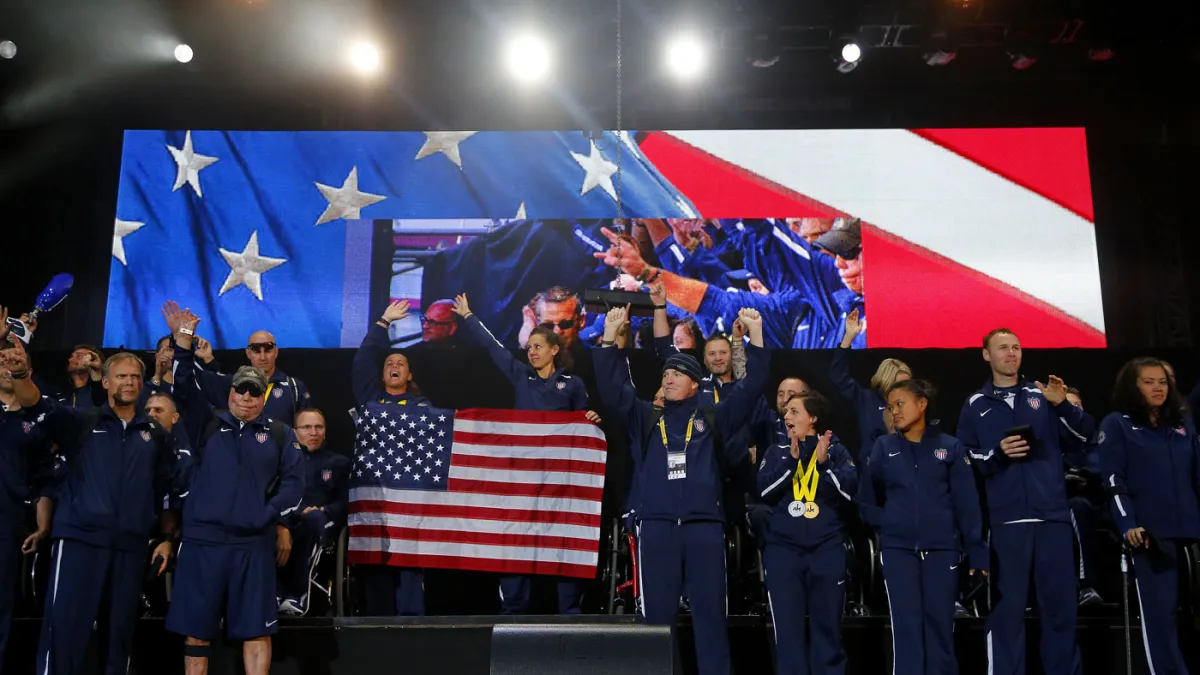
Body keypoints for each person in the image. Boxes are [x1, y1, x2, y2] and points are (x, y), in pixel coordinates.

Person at [593, 304, 767, 675]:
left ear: (694, 383)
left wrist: (756, 336)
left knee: (710, 620)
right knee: (656, 624)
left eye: (677, 373)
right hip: (656, 528)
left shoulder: (712, 417)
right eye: (666, 372)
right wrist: (609, 339)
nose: (668, 378)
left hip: (704, 528)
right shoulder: (647, 416)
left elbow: (752, 388)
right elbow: (612, 390)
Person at [5, 337, 183, 675]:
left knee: (119, 637)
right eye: (120, 376)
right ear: (105, 381)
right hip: (79, 543)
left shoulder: (156, 435)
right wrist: (21, 374)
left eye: (134, 377)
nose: (128, 382)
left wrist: (167, 538)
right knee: (65, 630)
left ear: (141, 384)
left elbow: (164, 492)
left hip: (129, 547)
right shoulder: (81, 423)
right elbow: (35, 404)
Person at [164, 306, 305, 675]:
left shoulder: (279, 433)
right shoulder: (205, 423)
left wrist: (268, 514)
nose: (245, 396)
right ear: (229, 392)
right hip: (203, 541)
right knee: (197, 630)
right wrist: (183, 341)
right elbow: (182, 385)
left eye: (253, 390)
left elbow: (294, 482)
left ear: (263, 395)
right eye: (240, 389)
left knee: (256, 629)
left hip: (252, 544)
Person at [956, 328, 1093, 675]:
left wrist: (1062, 405)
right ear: (986, 354)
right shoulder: (975, 405)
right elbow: (966, 462)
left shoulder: (1042, 395)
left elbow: (1084, 438)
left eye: (1016, 347)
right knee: (1006, 613)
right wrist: (997, 454)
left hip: (1052, 518)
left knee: (1061, 612)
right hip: (1007, 522)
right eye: (1003, 348)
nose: (1011, 353)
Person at [454, 293, 600, 615]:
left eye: (538, 347)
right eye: (529, 347)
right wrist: (468, 316)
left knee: (563, 541)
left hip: (559, 481)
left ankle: (570, 612)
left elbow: (584, 426)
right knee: (517, 540)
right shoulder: (521, 376)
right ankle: (514, 610)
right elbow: (493, 347)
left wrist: (590, 421)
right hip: (522, 478)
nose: (531, 352)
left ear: (554, 350)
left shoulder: (573, 384)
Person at [859, 379, 987, 675]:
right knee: (906, 628)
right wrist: (888, 522)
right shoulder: (883, 447)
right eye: (890, 407)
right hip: (898, 551)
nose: (894, 412)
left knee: (940, 627)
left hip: (942, 550)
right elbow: (866, 498)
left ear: (922, 403)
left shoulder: (950, 447)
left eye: (900, 404)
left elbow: (967, 504)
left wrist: (977, 552)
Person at [1098, 357, 1200, 675]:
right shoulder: (1117, 424)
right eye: (1148, 382)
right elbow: (1114, 480)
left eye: (1162, 382)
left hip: (1192, 535)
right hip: (1151, 538)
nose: (1157, 388)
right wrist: (1128, 524)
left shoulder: (1182, 425)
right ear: (1133, 386)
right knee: (1161, 617)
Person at [758, 392, 857, 675]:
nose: (786, 417)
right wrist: (791, 461)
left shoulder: (835, 449)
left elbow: (850, 492)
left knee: (828, 632)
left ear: (812, 418)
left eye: (794, 412)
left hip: (826, 550)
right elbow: (764, 491)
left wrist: (823, 464)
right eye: (785, 412)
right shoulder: (777, 451)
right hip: (784, 552)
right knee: (788, 636)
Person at [351, 300, 432, 616]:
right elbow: (361, 362)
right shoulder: (370, 399)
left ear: (409, 373)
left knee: (409, 560)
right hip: (373, 492)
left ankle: (413, 625)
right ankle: (376, 623)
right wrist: (383, 322)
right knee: (376, 561)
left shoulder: (424, 406)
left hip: (409, 495)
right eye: (388, 363)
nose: (393, 365)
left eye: (399, 362)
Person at [0, 329, 55, 673]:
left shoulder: (37, 423)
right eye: (0, 361)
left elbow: (45, 478)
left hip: (6, 526)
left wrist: (43, 523)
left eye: (13, 363)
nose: (6, 367)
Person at [167, 300, 313, 423]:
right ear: (248, 353)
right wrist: (181, 336)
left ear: (276, 352)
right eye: (256, 350)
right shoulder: (231, 384)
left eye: (268, 350)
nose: (263, 357)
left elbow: (307, 429)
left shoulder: (294, 387)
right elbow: (186, 377)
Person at [277, 409, 349, 615]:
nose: (313, 432)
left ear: (325, 432)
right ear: (294, 431)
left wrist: (324, 510)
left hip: (321, 521)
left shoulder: (339, 463)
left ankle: (297, 594)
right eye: (307, 427)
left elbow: (345, 501)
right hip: (287, 519)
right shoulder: (282, 460)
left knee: (314, 519)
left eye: (319, 427)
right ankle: (272, 592)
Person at [830, 308, 911, 457]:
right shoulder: (865, 400)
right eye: (899, 384)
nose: (905, 389)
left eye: (907, 385)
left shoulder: (912, 405)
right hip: (872, 470)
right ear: (885, 381)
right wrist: (848, 337)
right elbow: (838, 376)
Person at [1061, 388, 1104, 607]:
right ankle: (1082, 586)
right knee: (1075, 508)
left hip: (1099, 499)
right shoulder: (1053, 439)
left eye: (1076, 405)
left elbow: (1104, 467)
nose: (1073, 410)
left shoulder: (1096, 437)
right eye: (1067, 406)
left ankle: (1089, 585)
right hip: (1060, 502)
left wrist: (1088, 474)